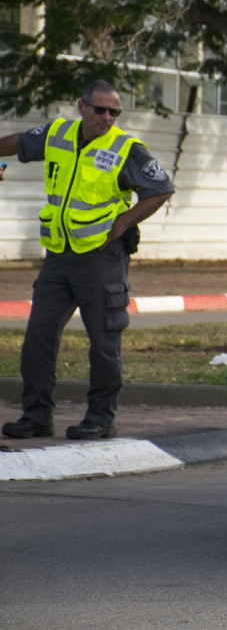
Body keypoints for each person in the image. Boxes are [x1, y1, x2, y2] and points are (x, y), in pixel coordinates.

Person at [0, 81, 174, 440]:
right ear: (81, 107)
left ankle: (100, 418)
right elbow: (19, 142)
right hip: (59, 256)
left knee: (104, 341)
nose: (108, 118)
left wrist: (123, 223)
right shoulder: (58, 133)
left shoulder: (126, 148)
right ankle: (36, 416)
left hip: (102, 258)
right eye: (101, 110)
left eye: (115, 112)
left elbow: (160, 189)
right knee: (38, 337)